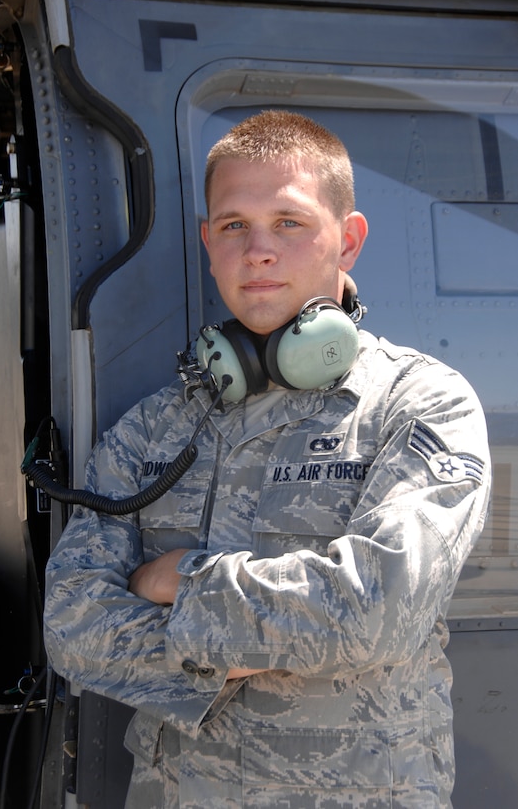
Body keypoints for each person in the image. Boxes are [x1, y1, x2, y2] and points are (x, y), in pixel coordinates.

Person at [44, 110, 491, 808]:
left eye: (288, 221)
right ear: (209, 243)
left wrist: (171, 579)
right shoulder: (157, 426)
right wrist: (256, 643)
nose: (257, 249)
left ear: (346, 241)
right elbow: (71, 624)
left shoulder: (417, 402)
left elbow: (377, 609)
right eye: (233, 225)